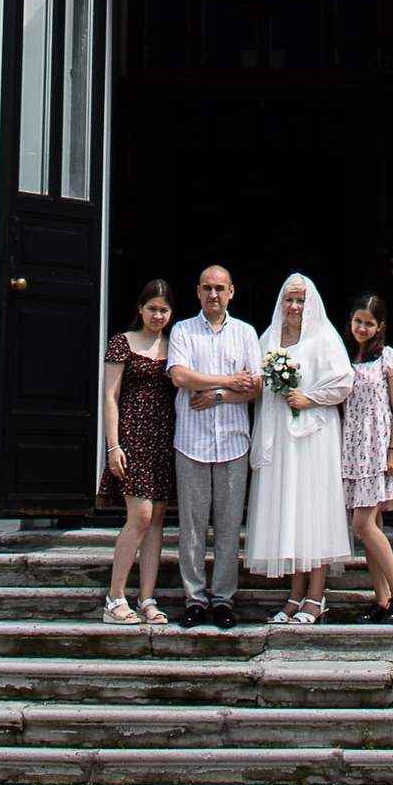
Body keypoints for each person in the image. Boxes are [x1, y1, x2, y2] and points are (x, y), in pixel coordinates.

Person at [242, 269, 355, 624]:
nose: (294, 306)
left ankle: (316, 598)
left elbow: (342, 382)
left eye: (300, 301)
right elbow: (255, 380)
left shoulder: (324, 337)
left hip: (313, 439)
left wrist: (309, 398)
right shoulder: (270, 337)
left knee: (314, 513)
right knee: (290, 512)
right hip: (280, 437)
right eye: (289, 300)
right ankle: (294, 595)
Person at [165, 261, 260, 629]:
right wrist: (226, 381)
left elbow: (254, 387)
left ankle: (222, 600)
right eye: (207, 288)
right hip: (192, 441)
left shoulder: (246, 333)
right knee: (191, 524)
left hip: (234, 441)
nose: (214, 294)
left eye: (220, 288)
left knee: (228, 524)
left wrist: (218, 395)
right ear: (198, 292)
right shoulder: (184, 331)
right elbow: (179, 376)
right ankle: (194, 599)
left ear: (231, 292)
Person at [97, 277, 178, 626]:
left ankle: (147, 597)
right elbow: (110, 397)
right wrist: (112, 445)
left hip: (164, 437)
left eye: (163, 310)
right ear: (140, 309)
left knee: (157, 518)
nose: (157, 315)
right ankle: (115, 597)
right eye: (152, 309)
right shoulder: (122, 343)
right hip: (132, 435)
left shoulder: (175, 345)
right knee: (141, 516)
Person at [340, 291, 393, 619]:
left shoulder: (389, 358)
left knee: (362, 523)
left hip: (379, 446)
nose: (361, 328)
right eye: (357, 321)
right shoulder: (346, 358)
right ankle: (382, 599)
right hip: (354, 447)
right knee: (373, 526)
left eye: (368, 323)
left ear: (379, 326)